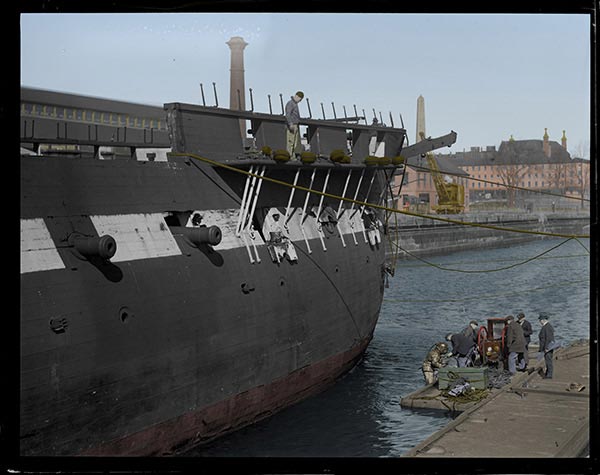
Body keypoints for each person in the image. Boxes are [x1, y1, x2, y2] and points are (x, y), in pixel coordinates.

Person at [285, 91, 304, 157]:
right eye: (300, 99)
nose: (300, 101)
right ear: (297, 96)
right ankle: (289, 155)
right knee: (291, 142)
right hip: (292, 125)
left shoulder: (294, 104)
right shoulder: (291, 103)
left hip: (295, 125)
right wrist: (290, 124)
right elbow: (288, 114)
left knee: (294, 142)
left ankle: (292, 155)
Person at [538, 312, 556, 379]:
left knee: (548, 361)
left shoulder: (547, 327)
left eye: (540, 320)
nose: (539, 321)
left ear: (543, 320)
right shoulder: (547, 326)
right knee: (547, 360)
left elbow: (548, 338)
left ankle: (549, 375)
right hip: (548, 347)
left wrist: (546, 348)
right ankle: (548, 373)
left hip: (548, 347)